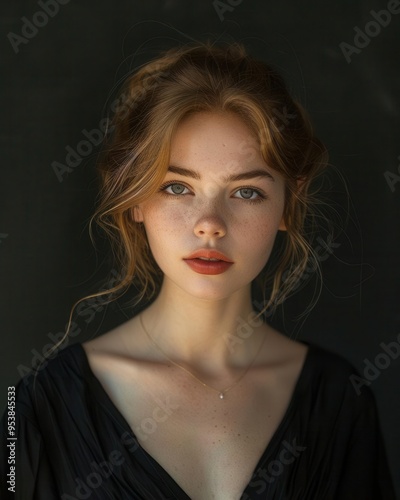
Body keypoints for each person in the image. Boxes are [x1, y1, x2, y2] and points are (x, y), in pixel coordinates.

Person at [0, 40, 396, 500]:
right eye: (176, 187)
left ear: (290, 204)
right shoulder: (33, 407)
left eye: (247, 192)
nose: (210, 224)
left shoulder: (339, 400)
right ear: (135, 197)